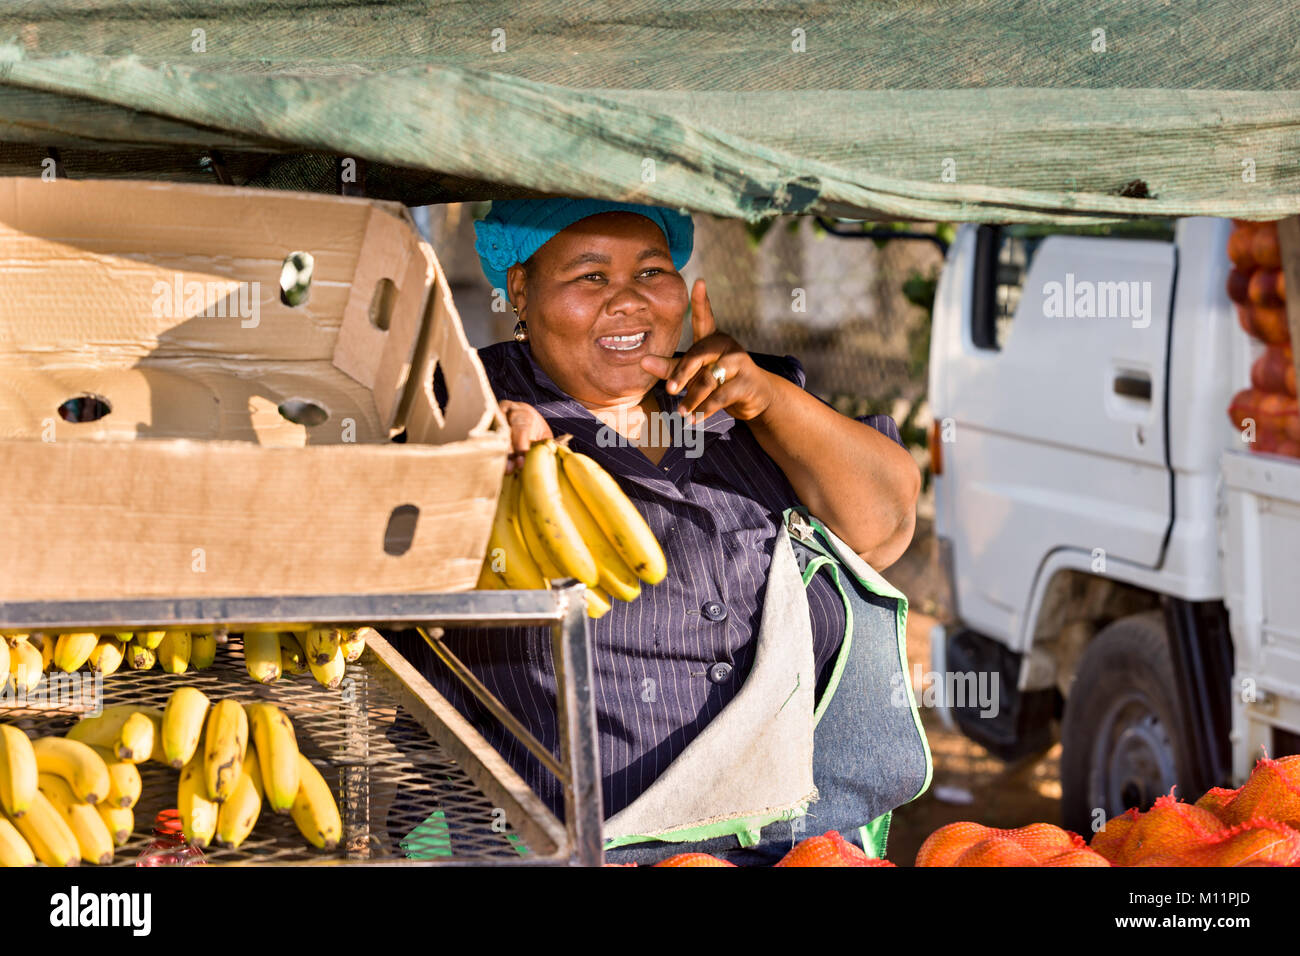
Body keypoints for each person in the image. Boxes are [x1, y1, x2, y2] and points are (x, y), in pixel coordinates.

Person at [391, 197, 930, 865]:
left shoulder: (744, 398)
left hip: (794, 843)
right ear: (521, 290)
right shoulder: (458, 407)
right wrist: (469, 464)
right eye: (590, 276)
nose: (629, 302)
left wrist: (767, 399)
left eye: (650, 272)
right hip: (571, 847)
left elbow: (884, 528)